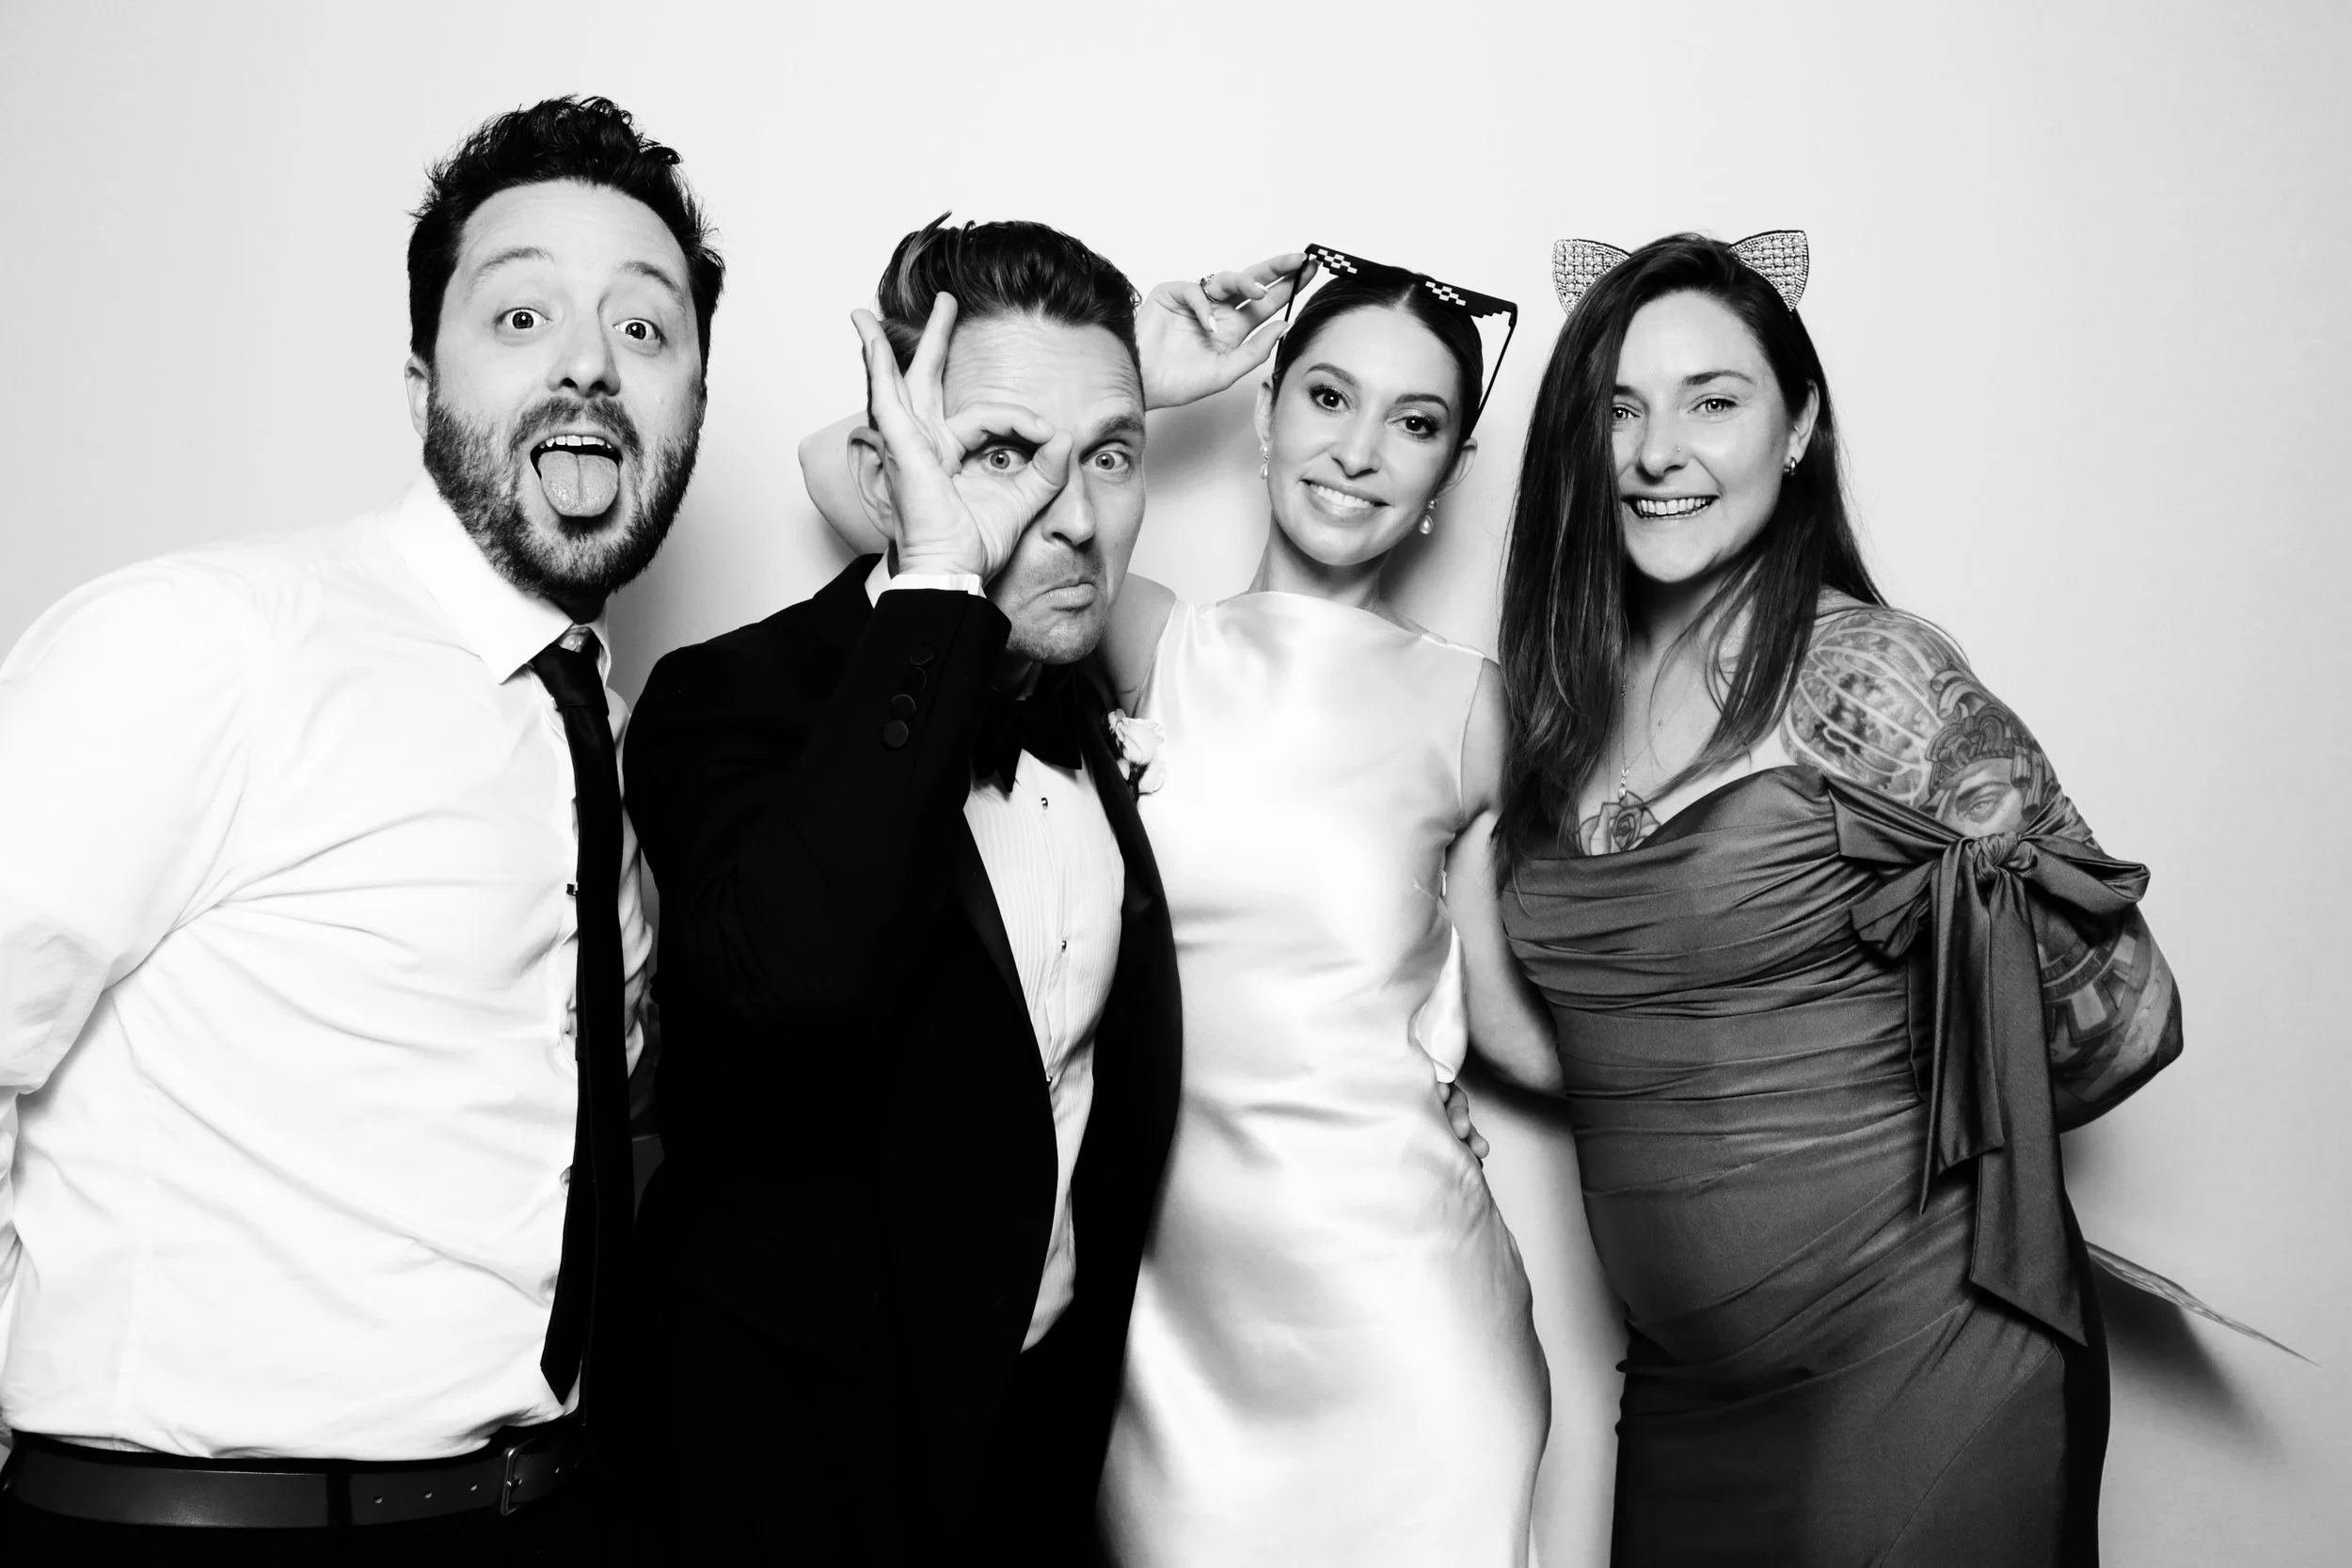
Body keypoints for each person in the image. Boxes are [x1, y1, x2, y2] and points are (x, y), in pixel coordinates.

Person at [0, 95, 718, 1564]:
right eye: (521, 314)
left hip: (533, 1517)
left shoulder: (612, 744)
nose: (589, 359)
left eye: (645, 332)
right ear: (419, 383)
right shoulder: (205, 644)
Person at [810, 246, 1559, 1566]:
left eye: (1418, 423)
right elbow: (852, 473)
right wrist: (1129, 374)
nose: (1363, 450)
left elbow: (1506, 1024)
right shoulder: (1149, 636)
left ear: (1447, 482)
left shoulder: (1471, 706)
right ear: (1263, 419)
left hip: (1407, 1321)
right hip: (1175, 1356)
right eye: (1328, 397)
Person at [1495, 231, 2185, 1564]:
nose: (1657, 451)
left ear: (1798, 424)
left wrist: (1868, 1125)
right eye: (1620, 407)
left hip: (1917, 1370)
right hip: (1690, 1394)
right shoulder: (1556, 709)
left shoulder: (1874, 679)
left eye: (1714, 399)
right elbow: (1586, 1048)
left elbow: (2127, 1015)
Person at [621, 218, 1184, 1566]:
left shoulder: (1090, 709)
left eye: (1112, 456)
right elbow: (809, 982)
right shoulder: (728, 699)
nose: (1077, 516)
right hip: (782, 1488)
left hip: (1036, 1468)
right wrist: (938, 576)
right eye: (1000, 454)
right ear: (897, 474)